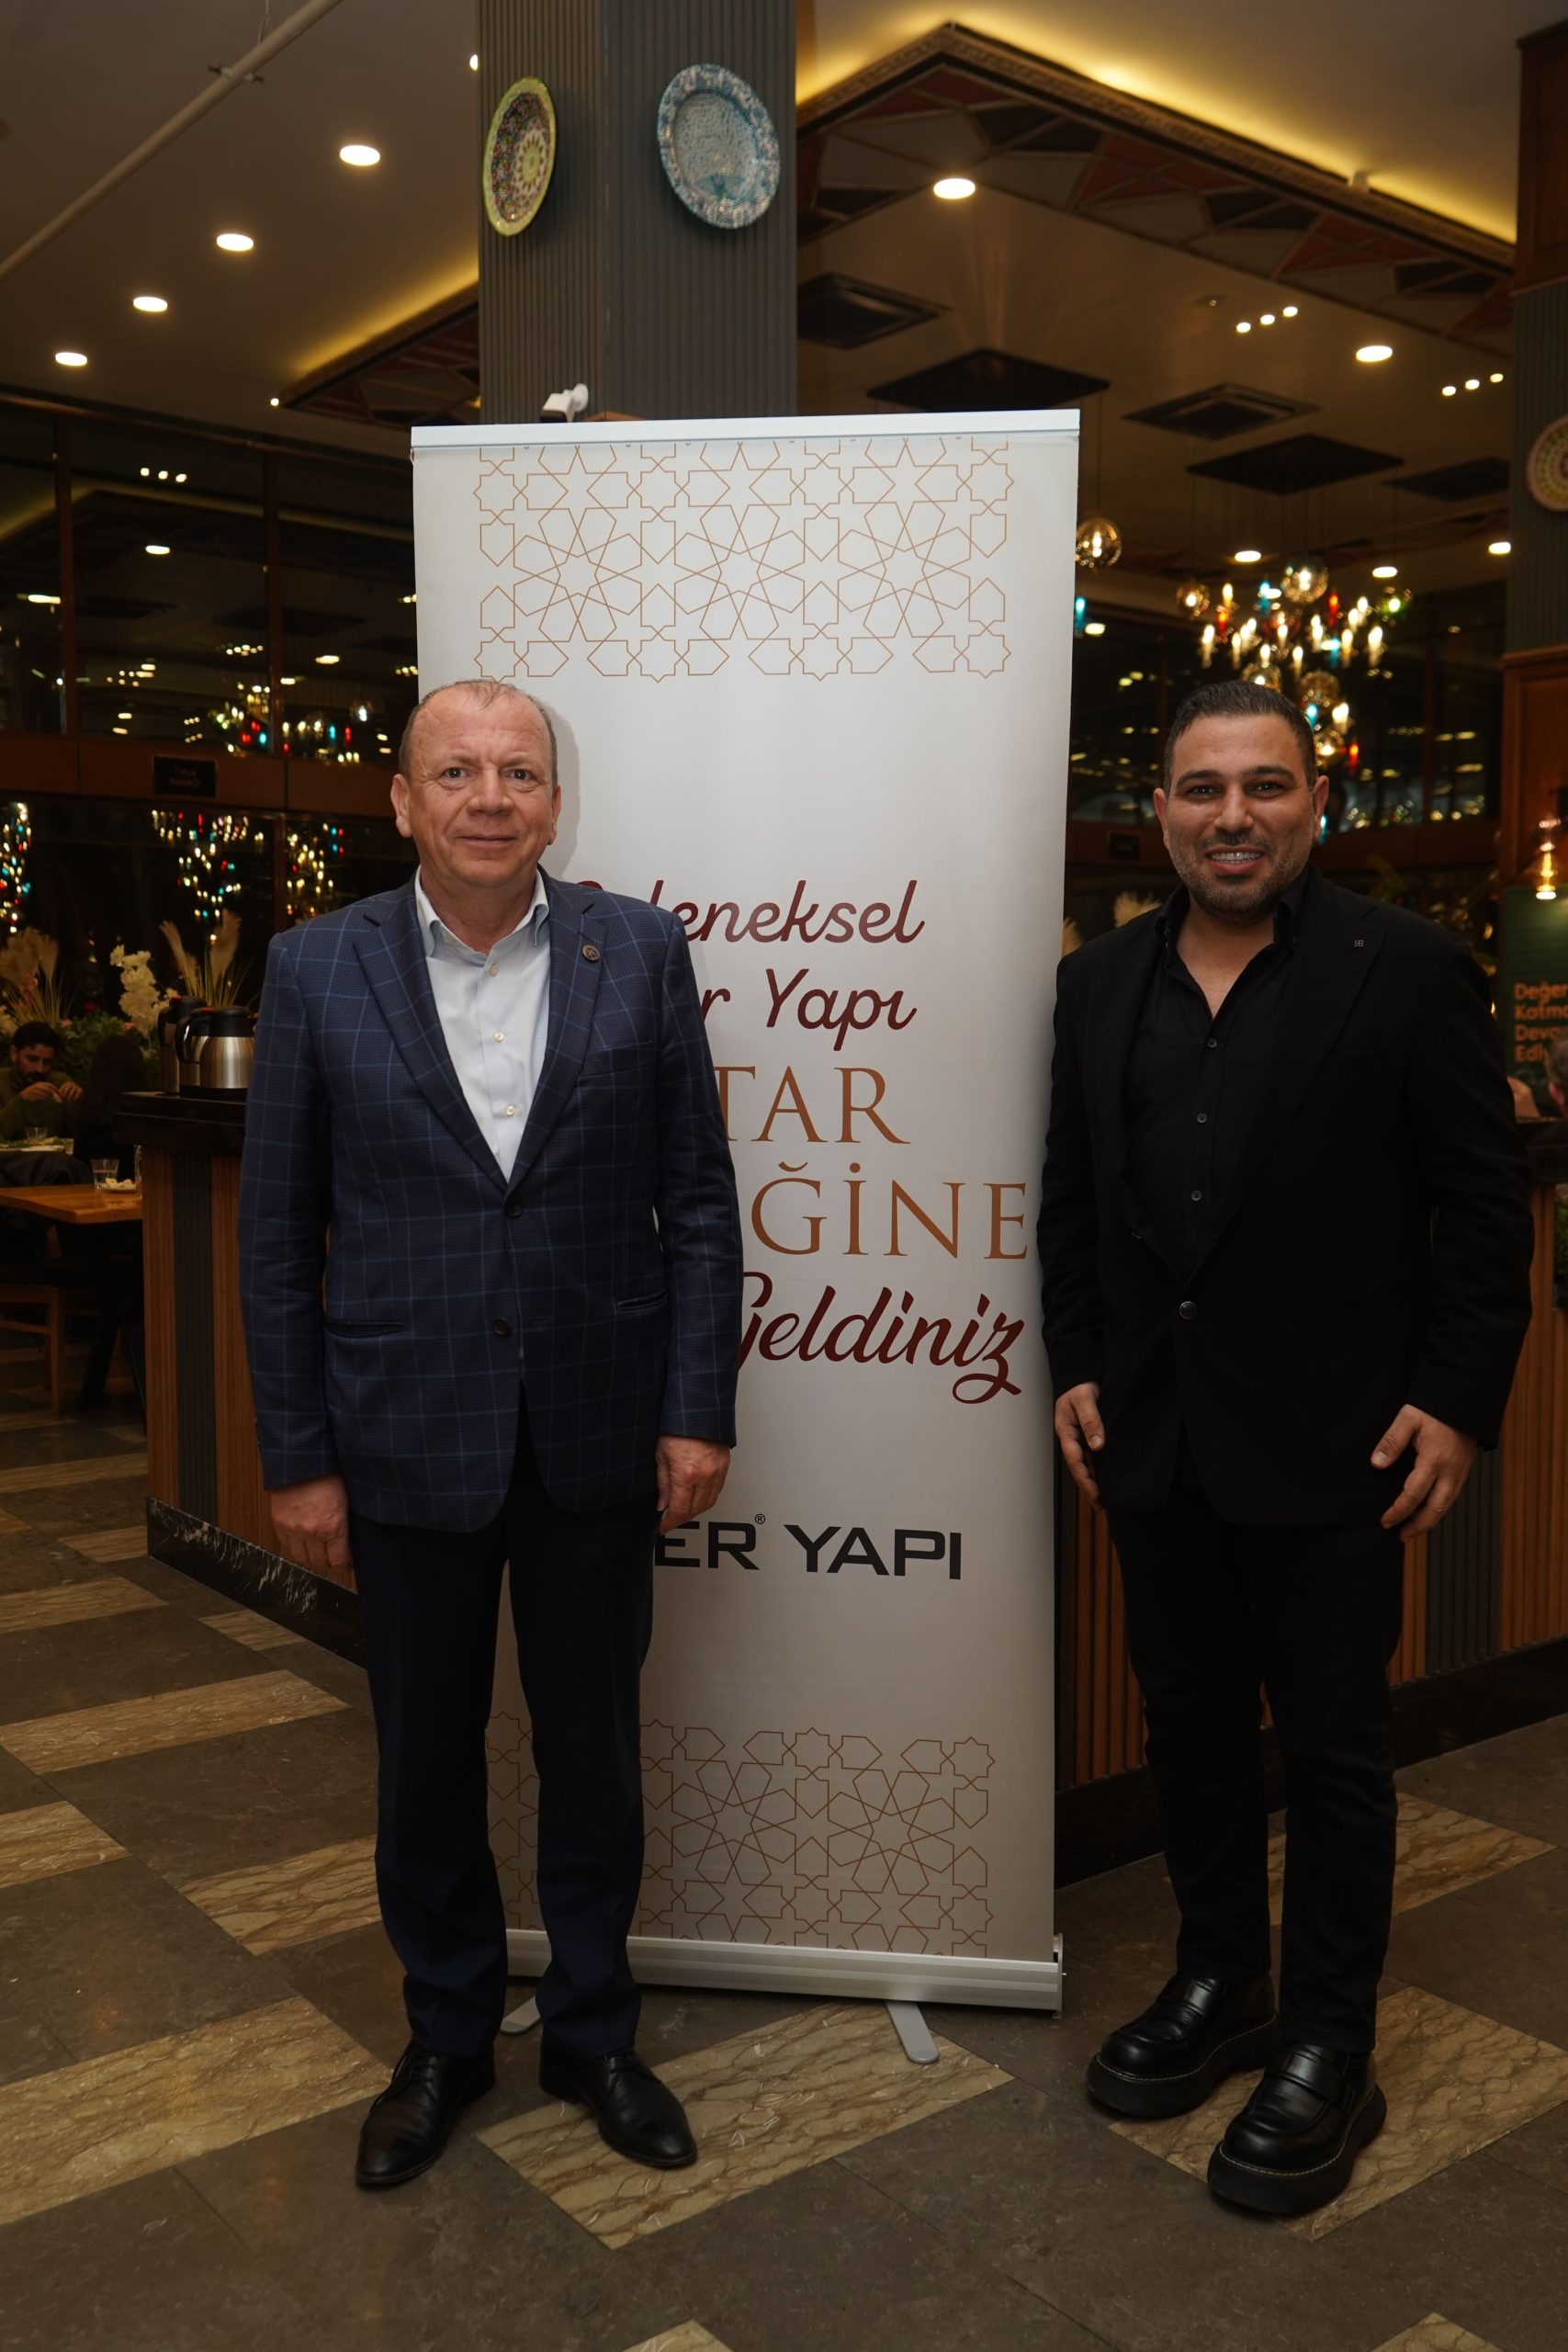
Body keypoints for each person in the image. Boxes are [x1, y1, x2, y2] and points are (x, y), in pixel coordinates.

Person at [1039, 677, 1532, 2220]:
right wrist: (1074, 1363)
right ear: (1159, 812)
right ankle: (1218, 1981)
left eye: (1264, 785)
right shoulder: (1094, 983)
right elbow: (1070, 1199)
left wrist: (1455, 1398)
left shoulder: (1406, 970)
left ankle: (1327, 2038)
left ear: (1315, 800)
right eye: (1201, 788)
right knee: (1186, 1728)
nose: (1232, 815)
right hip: (1156, 1439)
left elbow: (1482, 1207)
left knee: (1328, 1749)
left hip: (1338, 1438)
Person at [240, 677, 742, 2191]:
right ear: (401, 801)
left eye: (517, 772)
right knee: (423, 1767)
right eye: (453, 771)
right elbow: (279, 1235)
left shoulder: (637, 949)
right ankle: (447, 2034)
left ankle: (592, 2034)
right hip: (402, 1436)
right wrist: (299, 1454)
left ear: (553, 805)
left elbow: (695, 1200)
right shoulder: (315, 966)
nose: (487, 797)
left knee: (594, 1759)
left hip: (597, 1431)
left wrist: (692, 1408)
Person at [0, 1020, 83, 1139]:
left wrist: (80, 1103)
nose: (40, 1069)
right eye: (32, 1059)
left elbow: (84, 1134)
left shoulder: (59, 1082)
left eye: (47, 1062)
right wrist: (21, 1100)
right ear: (14, 1054)